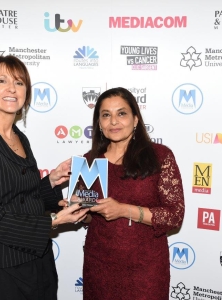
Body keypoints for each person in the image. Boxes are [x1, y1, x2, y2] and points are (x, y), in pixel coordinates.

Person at [0, 55, 89, 300]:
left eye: (19, 82)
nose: (12, 89)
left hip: (39, 260)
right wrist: (54, 222)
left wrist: (52, 181)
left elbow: (24, 197)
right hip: (3, 267)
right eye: (2, 80)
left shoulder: (20, 137)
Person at [81, 87, 185, 300]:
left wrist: (123, 210)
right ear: (99, 123)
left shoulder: (159, 156)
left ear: (136, 119)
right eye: (106, 115)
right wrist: (78, 209)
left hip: (145, 269)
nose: (113, 121)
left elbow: (174, 215)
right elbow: (89, 215)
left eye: (121, 113)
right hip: (99, 265)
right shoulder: (89, 160)